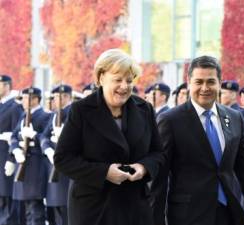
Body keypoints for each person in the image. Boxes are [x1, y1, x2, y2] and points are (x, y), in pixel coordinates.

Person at [152, 55, 244, 225]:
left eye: (210, 82)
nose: (205, 88)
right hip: (187, 215)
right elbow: (159, 178)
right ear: (189, 82)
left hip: (228, 212)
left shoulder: (234, 118)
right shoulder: (170, 120)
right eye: (199, 82)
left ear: (220, 82)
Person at [53, 49, 166, 225]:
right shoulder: (81, 110)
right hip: (94, 209)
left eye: (129, 80)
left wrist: (143, 167)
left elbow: (158, 153)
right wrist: (104, 172)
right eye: (117, 80)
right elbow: (63, 159)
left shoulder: (145, 109)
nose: (124, 86)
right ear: (101, 78)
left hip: (134, 208)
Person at [6, 87, 51, 225]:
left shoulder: (44, 116)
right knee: (26, 209)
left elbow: (45, 140)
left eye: (26, 98)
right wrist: (15, 150)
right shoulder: (23, 115)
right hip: (22, 163)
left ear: (35, 99)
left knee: (35, 209)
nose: (23, 101)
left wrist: (34, 136)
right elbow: (14, 136)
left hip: (35, 166)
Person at [39, 84, 74, 225]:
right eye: (55, 97)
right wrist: (47, 149)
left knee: (65, 208)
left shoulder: (74, 112)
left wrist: (65, 136)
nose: (55, 100)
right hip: (53, 163)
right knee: (55, 208)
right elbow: (44, 136)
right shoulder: (55, 114)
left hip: (67, 166)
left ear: (66, 97)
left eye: (58, 97)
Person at [0, 75, 24, 225]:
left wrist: (11, 159)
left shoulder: (15, 107)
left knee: (7, 196)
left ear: (7, 86)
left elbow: (16, 135)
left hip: (5, 157)